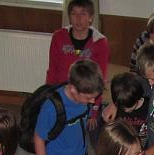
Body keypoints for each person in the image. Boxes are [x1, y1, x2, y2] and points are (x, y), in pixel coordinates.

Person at [35, 59, 104, 155]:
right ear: (73, 89)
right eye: (89, 97)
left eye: (95, 97)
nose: (92, 101)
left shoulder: (86, 98)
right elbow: (38, 138)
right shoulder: (51, 108)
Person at [46, 0, 109, 131]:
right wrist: (49, 97)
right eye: (74, 14)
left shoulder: (100, 42)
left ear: (91, 17)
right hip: (62, 93)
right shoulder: (59, 37)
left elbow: (100, 78)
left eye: (83, 14)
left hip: (85, 97)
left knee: (91, 133)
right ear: (69, 16)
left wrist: (94, 111)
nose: (78, 19)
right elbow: (52, 70)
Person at [106, 72, 150, 148]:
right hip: (122, 144)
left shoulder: (148, 106)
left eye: (127, 107)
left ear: (137, 99)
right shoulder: (120, 102)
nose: (125, 110)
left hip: (140, 146)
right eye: (121, 107)